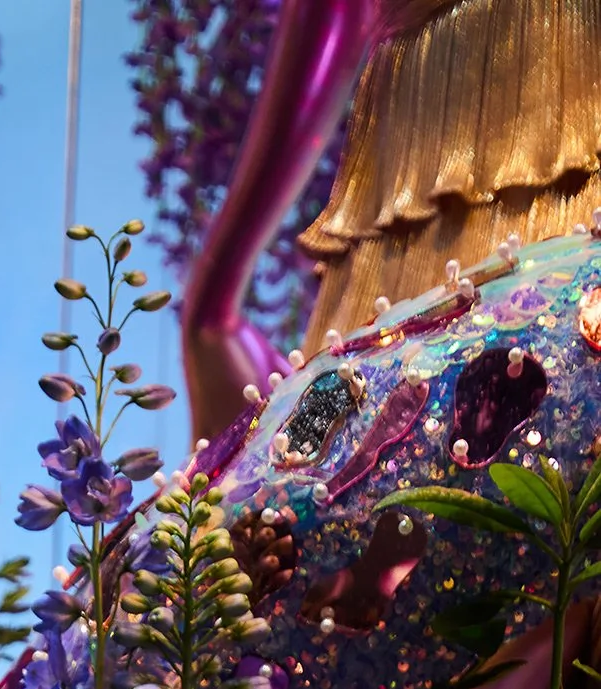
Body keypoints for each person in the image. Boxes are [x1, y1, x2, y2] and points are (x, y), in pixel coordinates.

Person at [183, 0, 601, 440]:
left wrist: (212, 304)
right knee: (362, 464)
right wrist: (212, 307)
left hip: (534, 130)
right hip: (414, 172)